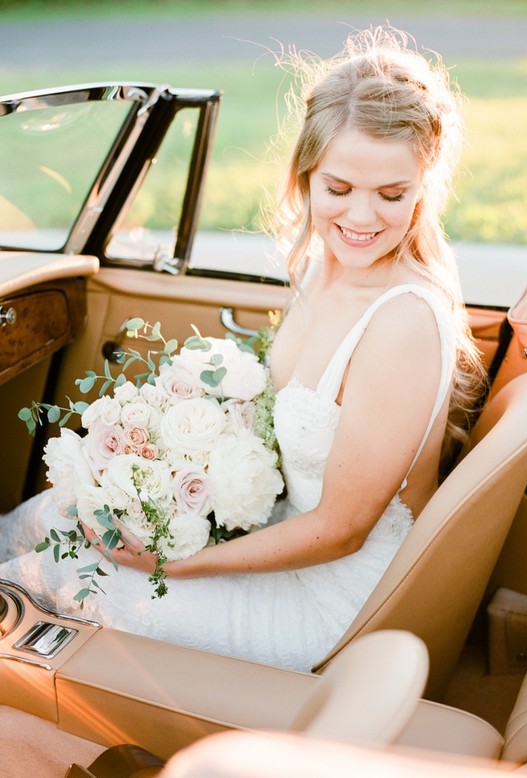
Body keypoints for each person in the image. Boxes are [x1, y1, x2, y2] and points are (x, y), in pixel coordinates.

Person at [0, 27, 485, 672]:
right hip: (280, 534)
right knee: (45, 515)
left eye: (392, 195)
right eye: (338, 189)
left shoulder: (403, 324)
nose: (362, 218)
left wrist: (175, 560)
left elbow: (342, 530)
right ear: (306, 174)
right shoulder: (322, 266)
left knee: (39, 584)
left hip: (325, 594)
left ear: (423, 188)